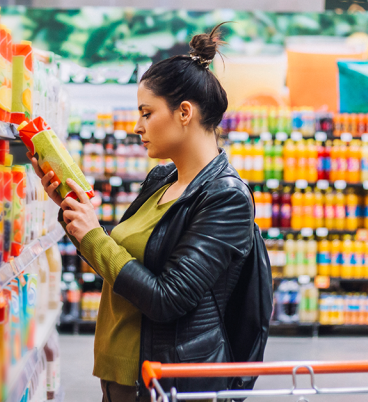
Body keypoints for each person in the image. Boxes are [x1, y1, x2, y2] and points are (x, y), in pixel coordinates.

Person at [29, 23, 272, 402]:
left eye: (146, 112)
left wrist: (94, 234)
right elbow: (120, 260)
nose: (136, 126)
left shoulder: (226, 198)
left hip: (164, 383)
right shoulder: (161, 179)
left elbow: (168, 298)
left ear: (185, 112)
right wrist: (70, 207)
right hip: (119, 377)